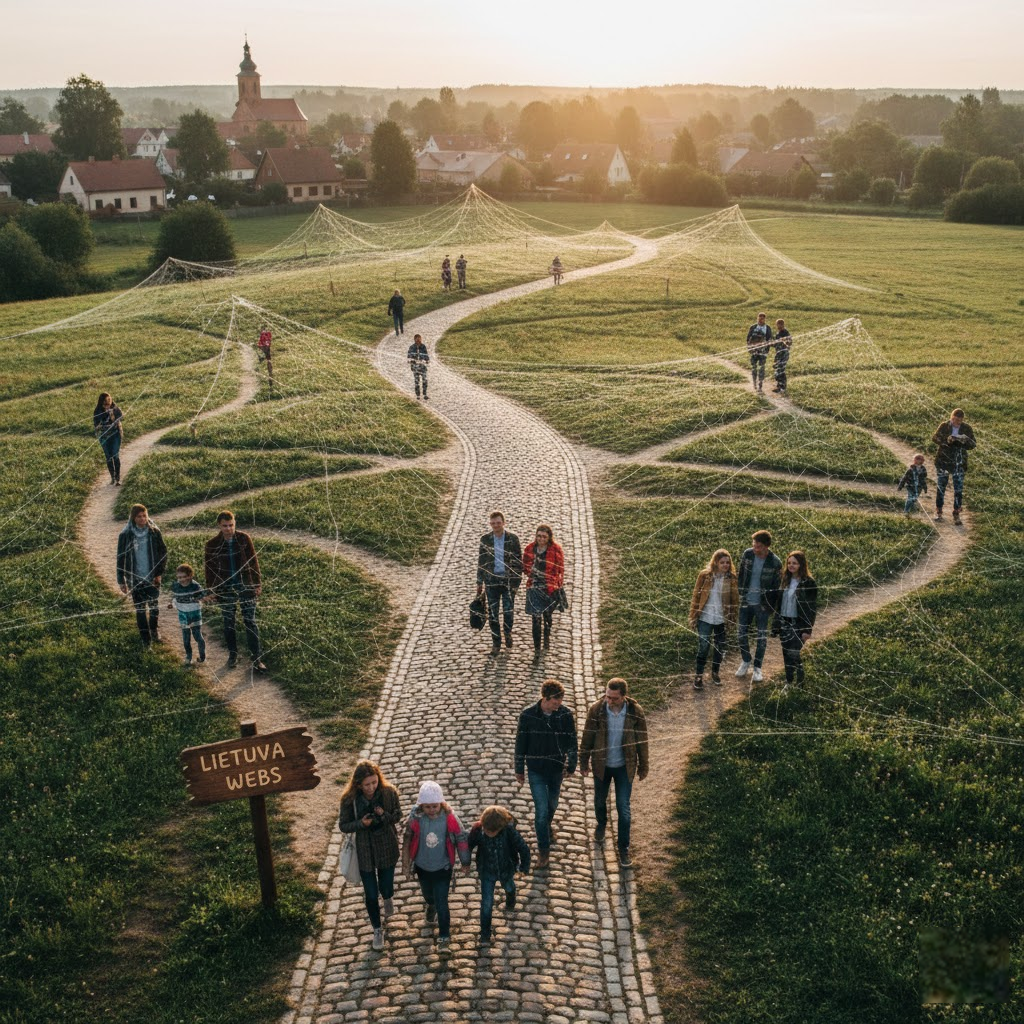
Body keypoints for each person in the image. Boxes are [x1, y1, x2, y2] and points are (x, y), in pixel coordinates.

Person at [580, 678, 649, 868]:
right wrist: (583, 760)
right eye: (607, 697)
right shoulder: (597, 710)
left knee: (623, 809)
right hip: (601, 765)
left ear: (624, 696)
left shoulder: (635, 712)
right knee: (599, 801)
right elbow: (587, 736)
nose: (609, 701)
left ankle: (623, 848)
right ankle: (602, 824)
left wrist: (644, 765)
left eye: (614, 698)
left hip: (624, 767)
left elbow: (642, 741)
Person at [338, 761, 403, 952]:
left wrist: (384, 815)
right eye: (367, 784)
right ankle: (377, 929)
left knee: (386, 886)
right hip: (364, 850)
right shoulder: (349, 800)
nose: (371, 787)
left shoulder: (388, 793)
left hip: (386, 846)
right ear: (358, 784)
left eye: (374, 782)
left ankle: (388, 896)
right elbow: (344, 825)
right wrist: (361, 824)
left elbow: (397, 815)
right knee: (371, 894)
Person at [514, 679, 578, 869]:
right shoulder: (528, 715)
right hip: (536, 770)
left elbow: (572, 742)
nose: (558, 705)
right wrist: (519, 769)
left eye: (560, 702)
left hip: (556, 769)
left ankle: (547, 826)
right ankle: (543, 851)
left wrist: (572, 765)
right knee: (541, 811)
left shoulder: (565, 715)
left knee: (553, 804)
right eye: (555, 702)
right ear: (545, 698)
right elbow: (521, 743)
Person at [402, 781, 469, 952]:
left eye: (435, 806)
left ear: (441, 803)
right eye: (427, 807)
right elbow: (407, 838)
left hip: (443, 867)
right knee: (428, 895)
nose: (431, 810)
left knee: (442, 902)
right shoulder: (416, 817)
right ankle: (430, 905)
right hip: (422, 867)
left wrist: (465, 861)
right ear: (421, 806)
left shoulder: (449, 818)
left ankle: (444, 938)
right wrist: (406, 864)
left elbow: (460, 838)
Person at [204, 510, 266, 671]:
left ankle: (256, 658)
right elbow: (209, 569)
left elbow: (253, 562)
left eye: (231, 525)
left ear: (235, 524)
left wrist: (257, 583)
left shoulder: (244, 539)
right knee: (228, 622)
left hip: (245, 585)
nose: (228, 529)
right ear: (219, 526)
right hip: (225, 588)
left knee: (250, 621)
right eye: (225, 526)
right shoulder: (212, 544)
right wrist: (212, 590)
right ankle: (233, 655)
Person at [467, 805, 531, 944]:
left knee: (509, 887)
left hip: (506, 869)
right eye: (487, 830)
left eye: (492, 831)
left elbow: (523, 849)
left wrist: (524, 868)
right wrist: (465, 862)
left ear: (501, 827)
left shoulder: (509, 831)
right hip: (486, 871)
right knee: (487, 903)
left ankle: (510, 899)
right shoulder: (478, 831)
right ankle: (485, 934)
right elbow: (468, 845)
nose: (489, 833)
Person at [116, 503, 168, 647]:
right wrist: (121, 580)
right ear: (133, 518)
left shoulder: (154, 532)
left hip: (152, 576)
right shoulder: (125, 535)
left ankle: (154, 630)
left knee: (154, 606)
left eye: (144, 516)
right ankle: (146, 640)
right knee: (140, 609)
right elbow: (120, 558)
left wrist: (159, 573)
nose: (142, 519)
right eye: (139, 516)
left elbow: (163, 552)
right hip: (135, 578)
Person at [735, 530, 783, 683]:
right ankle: (746, 660)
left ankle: (757, 667)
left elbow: (776, 588)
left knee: (761, 637)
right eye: (754, 545)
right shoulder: (747, 554)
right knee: (741, 634)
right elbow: (741, 575)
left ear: (766, 546)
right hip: (746, 602)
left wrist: (770, 607)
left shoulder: (775, 562)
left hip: (762, 606)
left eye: (759, 546)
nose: (755, 548)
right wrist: (740, 592)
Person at [688, 548, 739, 690]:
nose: (725, 565)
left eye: (727, 562)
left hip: (721, 619)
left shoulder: (731, 578)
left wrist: (732, 618)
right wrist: (693, 615)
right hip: (705, 617)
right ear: (715, 562)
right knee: (703, 647)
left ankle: (715, 672)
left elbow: (735, 600)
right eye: (722, 562)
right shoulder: (705, 576)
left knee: (719, 646)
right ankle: (698, 676)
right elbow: (696, 596)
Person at [476, 511, 523, 657]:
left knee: (508, 612)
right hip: (492, 582)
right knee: (493, 614)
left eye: (498, 523)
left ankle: (507, 633)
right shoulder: (485, 540)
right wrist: (479, 582)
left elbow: (518, 562)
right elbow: (481, 562)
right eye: (493, 523)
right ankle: (496, 643)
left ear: (503, 523)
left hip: (508, 582)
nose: (496, 525)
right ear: (490, 524)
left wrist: (516, 582)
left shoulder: (513, 539)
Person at [770, 551, 818, 686]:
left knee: (793, 653)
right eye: (789, 563)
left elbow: (811, 608)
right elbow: (779, 605)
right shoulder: (785, 580)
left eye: (795, 563)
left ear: (801, 565)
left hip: (798, 624)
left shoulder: (809, 583)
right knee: (786, 653)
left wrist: (807, 630)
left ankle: (800, 681)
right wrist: (775, 625)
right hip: (784, 621)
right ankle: (789, 680)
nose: (791, 565)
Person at [522, 524, 565, 655]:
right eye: (539, 536)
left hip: (550, 588)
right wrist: (531, 572)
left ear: (549, 537)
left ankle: (546, 636)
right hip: (534, 588)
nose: (541, 539)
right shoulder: (530, 548)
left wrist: (557, 585)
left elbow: (560, 569)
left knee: (547, 616)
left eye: (544, 537)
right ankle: (537, 649)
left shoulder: (556, 549)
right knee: (535, 619)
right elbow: (525, 566)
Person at [932, 408, 976, 526]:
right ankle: (939, 511)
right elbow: (935, 438)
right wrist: (946, 441)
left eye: (960, 420)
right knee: (941, 487)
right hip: (944, 461)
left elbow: (973, 444)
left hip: (959, 462)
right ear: (951, 417)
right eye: (955, 420)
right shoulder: (944, 426)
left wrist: (965, 441)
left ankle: (956, 513)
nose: (957, 422)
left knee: (958, 489)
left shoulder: (967, 428)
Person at [167, 562, 206, 666]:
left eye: (184, 577)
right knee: (186, 638)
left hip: (194, 614)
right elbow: (174, 597)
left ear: (190, 575)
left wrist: (202, 599)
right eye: (179, 577)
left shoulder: (196, 586)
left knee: (197, 636)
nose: (182, 579)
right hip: (183, 614)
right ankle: (188, 657)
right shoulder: (175, 586)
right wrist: (171, 604)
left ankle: (202, 657)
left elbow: (203, 596)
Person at [93, 392, 123, 486]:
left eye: (109, 400)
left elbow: (121, 417)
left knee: (115, 455)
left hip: (115, 434)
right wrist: (102, 423)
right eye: (105, 402)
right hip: (103, 437)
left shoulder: (115, 408)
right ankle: (112, 477)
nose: (108, 404)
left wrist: (112, 416)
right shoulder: (97, 411)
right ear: (101, 402)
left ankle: (118, 478)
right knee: (108, 457)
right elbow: (96, 425)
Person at [746, 312, 773, 393]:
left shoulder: (768, 328)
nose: (760, 320)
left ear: (765, 319)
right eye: (759, 318)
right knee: (754, 367)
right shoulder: (753, 327)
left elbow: (769, 339)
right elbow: (748, 338)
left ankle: (760, 385)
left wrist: (766, 349)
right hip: (754, 351)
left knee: (761, 368)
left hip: (763, 352)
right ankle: (754, 383)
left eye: (762, 319)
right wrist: (750, 347)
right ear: (757, 318)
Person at [407, 333, 430, 400]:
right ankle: (418, 395)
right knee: (417, 382)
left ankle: (425, 394)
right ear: (414, 340)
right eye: (417, 339)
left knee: (425, 381)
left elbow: (426, 355)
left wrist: (427, 360)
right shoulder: (411, 347)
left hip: (423, 367)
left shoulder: (423, 346)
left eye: (420, 339)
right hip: (415, 368)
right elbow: (409, 357)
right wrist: (412, 361)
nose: (419, 341)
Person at [772, 319, 792, 395]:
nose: (779, 326)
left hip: (784, 354)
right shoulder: (778, 333)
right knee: (777, 370)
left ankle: (783, 387)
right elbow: (776, 344)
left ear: (783, 325)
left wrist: (785, 341)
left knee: (781, 371)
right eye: (778, 324)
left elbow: (789, 343)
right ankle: (779, 386)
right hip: (778, 354)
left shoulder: (786, 333)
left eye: (780, 324)